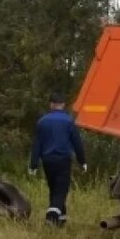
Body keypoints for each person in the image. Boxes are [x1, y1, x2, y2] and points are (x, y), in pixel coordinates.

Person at [29, 92, 87, 226]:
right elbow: (77, 143)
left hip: (47, 161)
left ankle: (60, 221)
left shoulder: (42, 122)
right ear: (63, 104)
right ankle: (51, 217)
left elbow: (37, 145)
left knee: (54, 188)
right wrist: (82, 161)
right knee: (61, 190)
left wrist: (33, 165)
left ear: (51, 105)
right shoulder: (68, 121)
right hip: (63, 160)